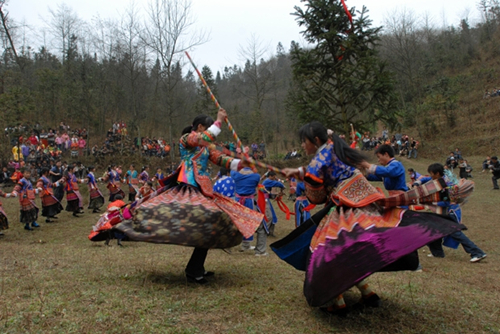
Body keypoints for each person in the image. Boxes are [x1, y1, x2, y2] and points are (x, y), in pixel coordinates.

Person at [276, 121, 466, 315]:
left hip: (346, 207)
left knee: (327, 252)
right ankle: (367, 292)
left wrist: (304, 178)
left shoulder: (318, 162)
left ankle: (337, 300)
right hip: (366, 202)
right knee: (355, 247)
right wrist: (300, 172)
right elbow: (325, 166)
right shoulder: (336, 147)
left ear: (315, 140)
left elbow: (315, 197)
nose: (302, 145)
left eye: (303, 141)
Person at [111, 109, 263, 284]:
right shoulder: (187, 140)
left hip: (203, 190)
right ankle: (193, 269)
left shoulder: (206, 147)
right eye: (208, 127)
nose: (210, 133)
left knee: (210, 224)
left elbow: (221, 159)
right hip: (187, 188)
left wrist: (241, 163)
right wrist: (219, 122)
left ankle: (196, 268)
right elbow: (202, 138)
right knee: (206, 221)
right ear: (200, 127)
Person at [413, 163, 486, 263]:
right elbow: (426, 179)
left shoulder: (447, 186)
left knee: (455, 233)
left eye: (432, 174)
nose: (431, 176)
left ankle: (477, 252)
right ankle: (437, 253)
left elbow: (446, 202)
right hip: (441, 212)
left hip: (449, 212)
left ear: (437, 173)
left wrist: (430, 202)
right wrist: (418, 182)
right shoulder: (438, 180)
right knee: (432, 230)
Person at [231, 167, 268, 255]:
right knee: (261, 227)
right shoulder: (255, 176)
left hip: (237, 204)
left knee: (236, 224)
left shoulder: (235, 174)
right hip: (249, 204)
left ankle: (245, 245)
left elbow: (233, 167)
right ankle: (260, 251)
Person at [261, 171, 285, 237]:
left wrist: (277, 194)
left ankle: (270, 232)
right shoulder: (268, 181)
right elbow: (279, 184)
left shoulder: (268, 181)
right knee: (269, 217)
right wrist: (283, 187)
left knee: (273, 217)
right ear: (270, 176)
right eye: (273, 177)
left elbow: (268, 193)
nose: (274, 178)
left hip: (266, 199)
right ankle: (264, 232)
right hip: (264, 200)